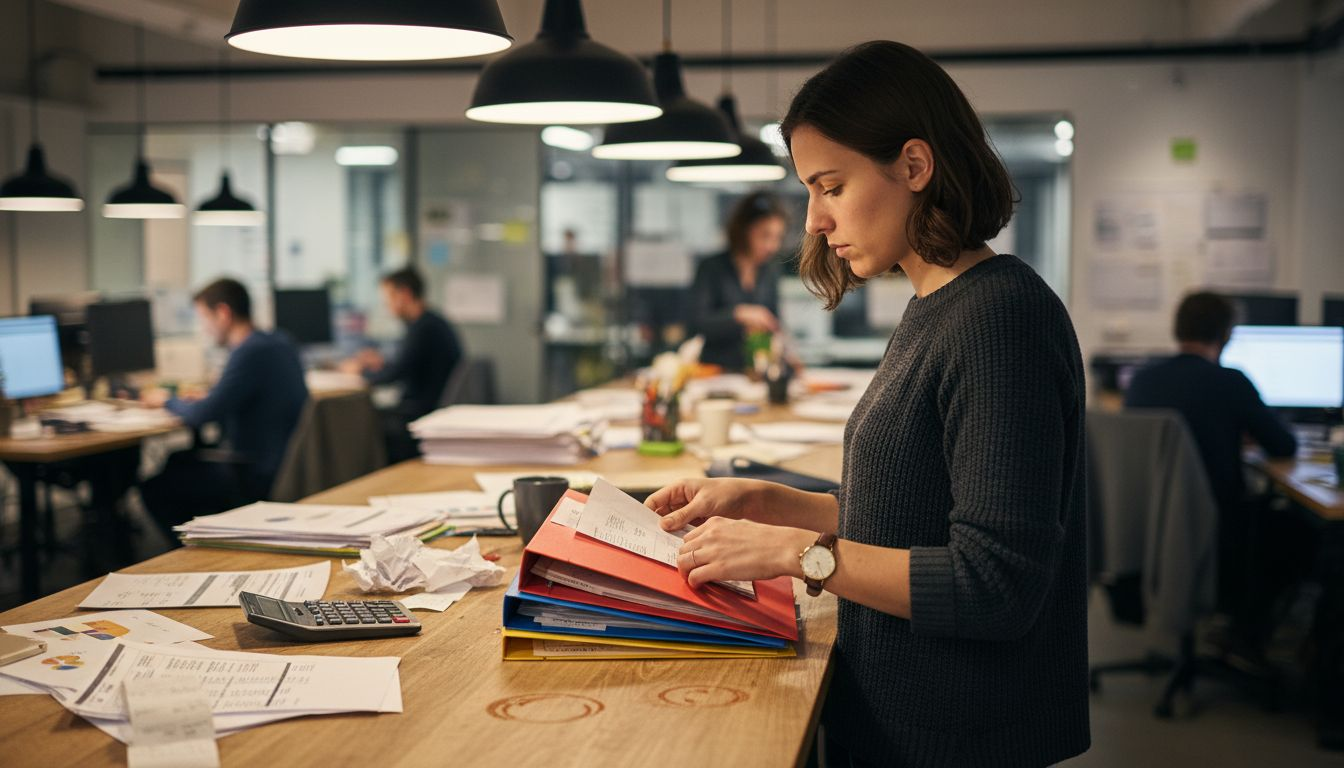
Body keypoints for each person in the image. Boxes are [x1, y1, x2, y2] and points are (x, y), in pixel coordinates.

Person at [646, 41, 1090, 767]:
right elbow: (918, 515)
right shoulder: (937, 306)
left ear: (915, 166)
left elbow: (994, 584)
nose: (815, 220)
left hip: (953, 739)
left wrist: (792, 554)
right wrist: (768, 501)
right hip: (900, 720)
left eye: (831, 186)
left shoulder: (1001, 318)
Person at [1125, 291, 1302, 648]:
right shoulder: (1231, 382)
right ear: (1226, 335)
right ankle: (1247, 635)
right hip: (1215, 528)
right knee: (1301, 532)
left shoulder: (1142, 381)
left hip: (1151, 525)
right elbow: (1285, 446)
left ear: (1179, 329)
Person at [140, 278, 308, 535]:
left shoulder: (248, 352)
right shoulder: (279, 341)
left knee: (155, 487)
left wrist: (167, 400)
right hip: (286, 464)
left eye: (204, 318)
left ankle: (195, 554)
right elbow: (236, 397)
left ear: (223, 313)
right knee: (177, 461)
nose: (204, 329)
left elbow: (202, 415)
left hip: (253, 472)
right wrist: (209, 396)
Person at [342, 266, 463, 461]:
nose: (386, 305)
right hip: (428, 406)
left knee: (355, 422)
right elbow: (407, 365)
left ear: (404, 294)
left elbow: (396, 373)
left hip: (418, 414)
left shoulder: (424, 328)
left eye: (388, 298)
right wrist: (381, 363)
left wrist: (360, 373)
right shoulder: (431, 322)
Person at [687, 191, 788, 370]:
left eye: (777, 237)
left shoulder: (770, 271)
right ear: (744, 231)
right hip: (713, 371)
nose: (772, 246)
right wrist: (740, 314)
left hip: (754, 372)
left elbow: (774, 321)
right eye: (765, 235)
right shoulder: (711, 267)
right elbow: (697, 323)